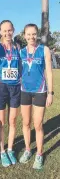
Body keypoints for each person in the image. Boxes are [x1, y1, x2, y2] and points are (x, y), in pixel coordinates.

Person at [19, 24, 53, 169]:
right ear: (24, 35)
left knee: (38, 124)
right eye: (28, 34)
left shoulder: (44, 50)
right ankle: (28, 149)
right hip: (24, 90)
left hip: (40, 90)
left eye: (34, 34)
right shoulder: (21, 52)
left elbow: (49, 72)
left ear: (37, 34)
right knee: (26, 123)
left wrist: (50, 93)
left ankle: (39, 153)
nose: (31, 37)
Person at [0, 20, 21, 167]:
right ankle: (2, 151)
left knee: (12, 121)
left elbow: (20, 66)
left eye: (10, 30)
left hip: (15, 88)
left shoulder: (17, 46)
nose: (7, 33)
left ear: (13, 30)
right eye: (4, 31)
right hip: (1, 88)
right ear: (0, 32)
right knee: (1, 122)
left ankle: (10, 149)